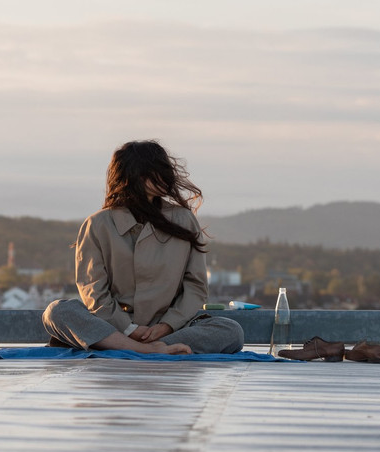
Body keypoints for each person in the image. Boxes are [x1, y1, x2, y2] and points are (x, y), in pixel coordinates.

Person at [42, 140, 245, 355]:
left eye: (165, 169)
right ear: (133, 175)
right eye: (155, 170)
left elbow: (195, 286)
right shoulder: (98, 224)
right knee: (58, 311)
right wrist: (129, 329)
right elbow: (93, 290)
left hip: (168, 329)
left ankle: (138, 348)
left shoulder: (183, 220)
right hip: (113, 326)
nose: (166, 176)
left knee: (231, 331)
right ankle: (143, 350)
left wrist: (166, 326)